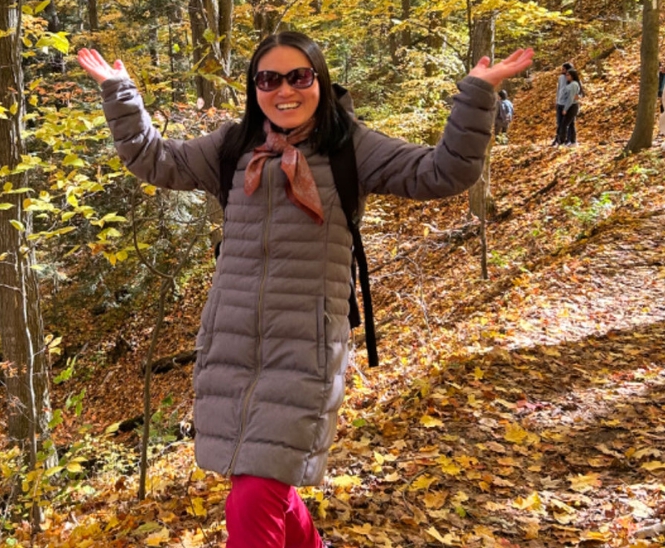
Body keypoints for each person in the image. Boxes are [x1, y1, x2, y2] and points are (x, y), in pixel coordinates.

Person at [77, 33, 533, 548]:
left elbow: (442, 172)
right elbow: (155, 160)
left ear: (320, 79)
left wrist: (476, 93)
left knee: (253, 491)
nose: (284, 90)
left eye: (300, 76)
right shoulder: (231, 147)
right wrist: (119, 92)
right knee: (253, 475)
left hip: (305, 351)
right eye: (269, 79)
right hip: (230, 345)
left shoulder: (351, 147)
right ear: (255, 89)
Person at [556, 68, 582, 146]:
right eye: (566, 74)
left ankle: (562, 142)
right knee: (571, 124)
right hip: (570, 105)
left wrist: (565, 109)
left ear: (572, 76)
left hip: (571, 106)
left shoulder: (574, 84)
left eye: (568, 75)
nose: (566, 76)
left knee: (564, 125)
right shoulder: (570, 84)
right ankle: (573, 141)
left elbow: (571, 98)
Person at [555, 62, 574, 145]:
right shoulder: (561, 77)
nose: (562, 70)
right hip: (560, 103)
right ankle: (560, 139)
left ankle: (570, 140)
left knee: (569, 123)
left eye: (563, 69)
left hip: (568, 103)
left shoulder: (571, 77)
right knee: (561, 123)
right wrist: (557, 100)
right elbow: (559, 89)